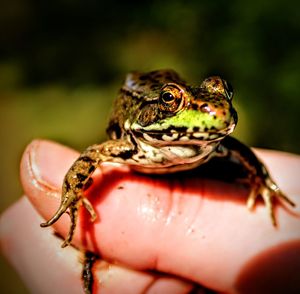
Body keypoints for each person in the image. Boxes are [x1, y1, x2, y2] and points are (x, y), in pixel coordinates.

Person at [1, 139, 300, 293]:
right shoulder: (128, 144)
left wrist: (262, 179)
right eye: (171, 100)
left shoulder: (211, 141)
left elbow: (233, 147)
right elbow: (94, 154)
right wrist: (73, 193)